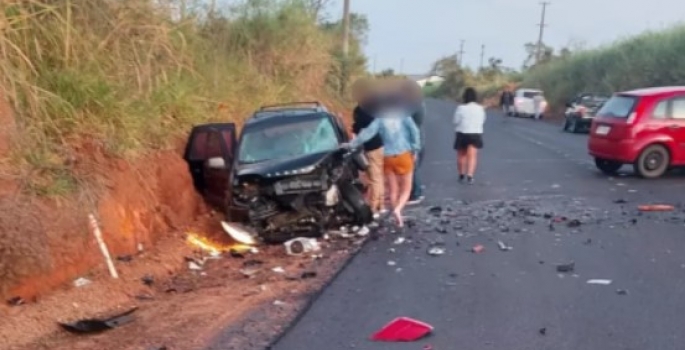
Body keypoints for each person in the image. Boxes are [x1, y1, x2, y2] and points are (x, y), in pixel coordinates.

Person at [346, 94, 420, 227]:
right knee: (406, 188)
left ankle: (397, 217)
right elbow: (415, 132)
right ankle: (398, 210)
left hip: (387, 157)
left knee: (393, 189)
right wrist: (415, 148)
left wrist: (351, 144)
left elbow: (367, 133)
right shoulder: (404, 116)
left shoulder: (380, 119)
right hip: (404, 154)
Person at [351, 79, 385, 216]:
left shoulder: (362, 110)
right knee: (378, 176)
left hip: (371, 147)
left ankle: (373, 207)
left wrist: (355, 128)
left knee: (374, 178)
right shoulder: (375, 107)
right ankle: (380, 205)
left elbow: (360, 128)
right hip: (379, 144)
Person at [453, 87, 486, 184]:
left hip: (462, 132)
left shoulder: (461, 108)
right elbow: (483, 120)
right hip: (475, 132)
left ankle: (461, 174)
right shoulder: (480, 108)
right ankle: (470, 175)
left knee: (461, 155)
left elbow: (455, 121)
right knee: (472, 156)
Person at [400, 79, 426, 205]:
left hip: (412, 136)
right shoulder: (419, 103)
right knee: (414, 164)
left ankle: (415, 193)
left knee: (411, 165)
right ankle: (415, 189)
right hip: (419, 134)